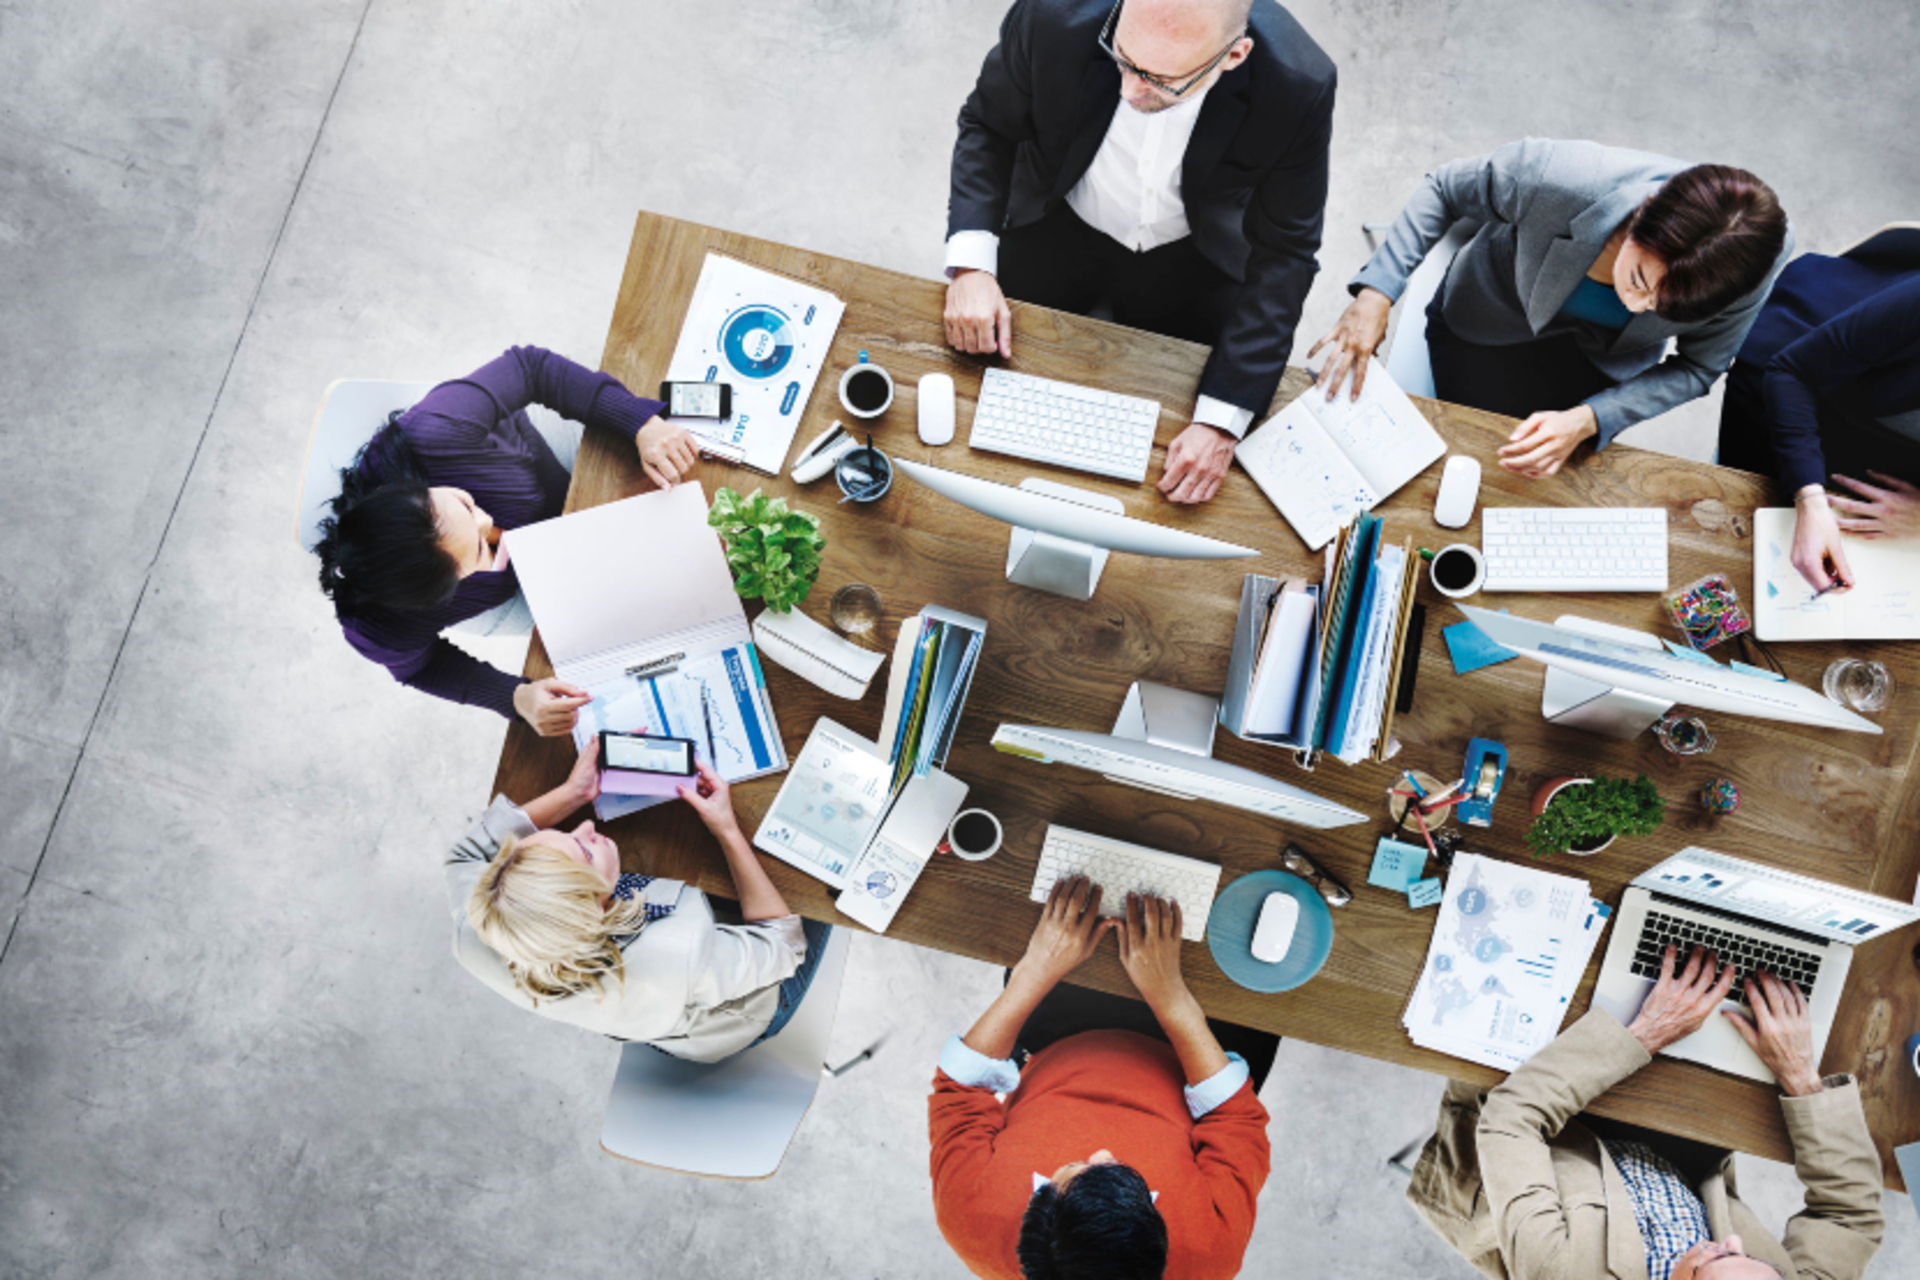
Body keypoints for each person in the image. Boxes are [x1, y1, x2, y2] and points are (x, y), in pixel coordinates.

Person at [943, 0, 1336, 505]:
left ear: (1233, 57)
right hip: (1055, 225)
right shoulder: (1050, 14)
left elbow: (1286, 250)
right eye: (1122, 57)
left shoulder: (1299, 83)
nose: (1129, 91)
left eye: (1160, 80)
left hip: (1194, 258)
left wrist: (1222, 420)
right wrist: (972, 264)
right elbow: (988, 126)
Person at [1315, 139, 1792, 480]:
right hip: (1486, 321)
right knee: (1471, 451)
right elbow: (1443, 188)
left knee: (1540, 476)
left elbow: (1697, 368)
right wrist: (1377, 293)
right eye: (1641, 280)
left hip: (1604, 363)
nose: (1639, 306)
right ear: (1644, 213)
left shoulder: (1748, 268)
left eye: (1670, 309)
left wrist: (1592, 417)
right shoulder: (1559, 177)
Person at [1406, 944, 1885, 1280]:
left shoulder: (1561, 1271)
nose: (1736, 1241)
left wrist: (1645, 1034)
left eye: (1716, 1258)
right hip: (1669, 1148)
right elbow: (1850, 1218)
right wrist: (1801, 1076)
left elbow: (1513, 1120)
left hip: (1546, 1131)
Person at [314, 345, 702, 737]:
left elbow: (531, 368)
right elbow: (422, 666)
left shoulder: (436, 431)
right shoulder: (378, 627)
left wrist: (640, 424)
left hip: (542, 466)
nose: (489, 521)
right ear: (439, 595)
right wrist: (515, 697)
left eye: (465, 506)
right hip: (519, 586)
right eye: (482, 550)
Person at [929, 880, 1271, 1279]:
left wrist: (1038, 968)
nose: (1103, 1151)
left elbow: (961, 1090)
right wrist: (1171, 998)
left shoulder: (968, 1221)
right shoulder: (1211, 1257)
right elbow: (1236, 1121)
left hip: (1059, 1031)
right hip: (1207, 1053)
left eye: (1075, 1166)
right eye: (1127, 1174)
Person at [444, 741, 830, 1060]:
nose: (587, 824)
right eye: (584, 848)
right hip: (743, 1006)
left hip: (649, 1010)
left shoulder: (477, 922)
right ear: (597, 909)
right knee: (822, 884)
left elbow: (466, 854)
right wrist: (726, 829)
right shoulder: (679, 952)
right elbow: (784, 944)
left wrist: (573, 792)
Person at [1716, 248, 1920, 591]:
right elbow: (1791, 372)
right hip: (1805, 379)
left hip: (1891, 462)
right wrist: (1809, 499)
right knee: (1739, 522)